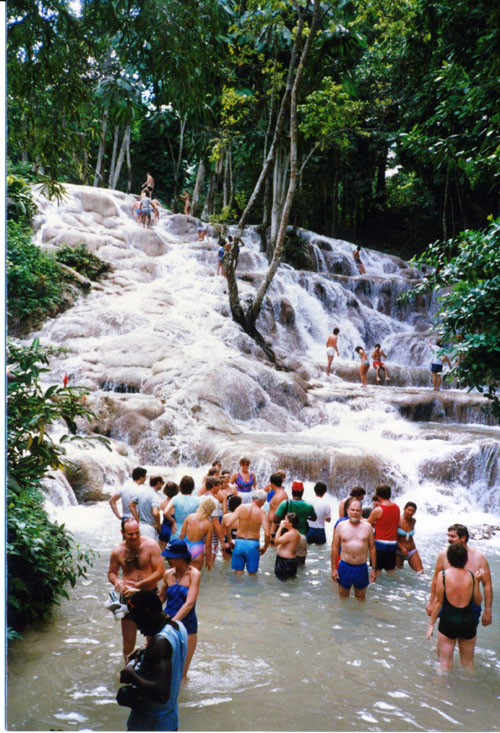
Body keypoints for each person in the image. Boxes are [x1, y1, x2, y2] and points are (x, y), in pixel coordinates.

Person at [118, 589, 187, 731]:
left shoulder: (159, 643)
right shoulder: (178, 627)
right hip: (170, 721)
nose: (138, 627)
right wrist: (146, 649)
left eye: (138, 620)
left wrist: (131, 675)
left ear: (148, 612)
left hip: (150, 724)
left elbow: (161, 694)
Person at [107, 518, 165, 661]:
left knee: (153, 638)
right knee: (128, 642)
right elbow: (111, 573)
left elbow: (160, 572)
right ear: (122, 533)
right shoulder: (118, 551)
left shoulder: (151, 546)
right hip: (128, 598)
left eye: (137, 533)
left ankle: (152, 672)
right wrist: (117, 581)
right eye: (130, 534)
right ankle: (128, 671)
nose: (134, 537)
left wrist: (138, 586)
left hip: (148, 596)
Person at [426, 543, 483, 672]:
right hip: (468, 621)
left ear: (449, 558)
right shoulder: (472, 576)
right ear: (465, 559)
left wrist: (431, 624)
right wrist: (478, 582)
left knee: (445, 664)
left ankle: (440, 691)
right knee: (468, 664)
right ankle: (469, 690)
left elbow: (438, 602)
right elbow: (478, 602)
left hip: (449, 620)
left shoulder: (443, 576)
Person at [426, 524, 492, 628]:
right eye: (448, 536)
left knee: (466, 641)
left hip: (471, 606)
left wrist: (488, 611)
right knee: (444, 640)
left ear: (463, 538)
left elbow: (487, 585)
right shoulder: (443, 555)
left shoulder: (479, 558)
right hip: (447, 603)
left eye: (452, 536)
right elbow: (435, 580)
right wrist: (431, 602)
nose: (449, 539)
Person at [159, 538, 201, 681]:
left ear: (180, 557)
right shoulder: (168, 574)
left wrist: (173, 623)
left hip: (187, 627)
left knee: (181, 674)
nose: (167, 559)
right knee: (165, 669)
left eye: (170, 557)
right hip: (167, 624)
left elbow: (189, 604)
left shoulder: (194, 574)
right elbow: (160, 599)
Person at [331, 499, 376, 599]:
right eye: (353, 510)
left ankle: (360, 615)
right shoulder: (340, 526)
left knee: (361, 598)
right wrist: (333, 568)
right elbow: (334, 547)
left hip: (361, 567)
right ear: (347, 510)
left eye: (357, 510)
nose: (355, 513)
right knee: (343, 597)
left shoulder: (368, 527)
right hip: (345, 566)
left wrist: (373, 569)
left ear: (361, 512)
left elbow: (372, 548)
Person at [227, 489, 270, 576]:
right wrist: (265, 547)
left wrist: (230, 540)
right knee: (252, 574)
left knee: (238, 573)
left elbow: (228, 524)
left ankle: (236, 589)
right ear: (262, 501)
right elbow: (267, 534)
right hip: (252, 544)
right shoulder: (262, 513)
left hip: (239, 542)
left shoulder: (241, 507)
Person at [272, 481, 316, 565]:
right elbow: (314, 518)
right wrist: (305, 517)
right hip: (301, 537)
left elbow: (275, 520)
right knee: (301, 565)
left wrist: (285, 520)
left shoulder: (285, 504)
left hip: (287, 536)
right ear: (303, 492)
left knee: (284, 563)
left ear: (292, 491)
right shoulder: (308, 506)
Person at [366, 484, 400, 575]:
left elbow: (367, 523)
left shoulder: (378, 510)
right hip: (392, 544)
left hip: (380, 545)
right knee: (390, 571)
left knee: (377, 571)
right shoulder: (397, 508)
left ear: (378, 495)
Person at [180, 496, 216, 571]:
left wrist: (178, 549)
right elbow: (208, 545)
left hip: (185, 547)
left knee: (182, 576)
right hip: (197, 550)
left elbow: (181, 535)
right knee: (194, 577)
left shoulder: (190, 517)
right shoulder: (208, 524)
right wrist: (208, 560)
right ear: (211, 511)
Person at [163, 476, 200, 541]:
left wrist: (173, 521)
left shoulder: (175, 498)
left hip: (177, 530)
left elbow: (165, 512)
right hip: (192, 531)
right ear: (193, 487)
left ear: (181, 487)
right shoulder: (198, 500)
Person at [130, 476, 163, 541]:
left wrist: (137, 519)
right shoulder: (154, 495)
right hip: (150, 528)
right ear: (158, 483)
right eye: (162, 483)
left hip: (141, 525)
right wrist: (159, 526)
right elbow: (155, 513)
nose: (162, 485)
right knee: (151, 549)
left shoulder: (142, 492)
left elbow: (131, 505)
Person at [396, 501, 424, 574]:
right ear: (404, 509)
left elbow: (409, 536)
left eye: (413, 511)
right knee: (398, 573)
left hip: (412, 550)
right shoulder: (398, 520)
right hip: (398, 551)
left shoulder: (413, 521)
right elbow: (391, 537)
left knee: (421, 573)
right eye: (409, 510)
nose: (410, 513)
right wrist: (402, 547)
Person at [274, 513, 301, 581]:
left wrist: (280, 527)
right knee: (289, 580)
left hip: (285, 561)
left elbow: (276, 541)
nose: (283, 521)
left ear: (290, 523)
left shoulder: (290, 534)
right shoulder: (297, 533)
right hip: (291, 560)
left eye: (285, 520)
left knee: (282, 580)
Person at [266, 473, 289, 539]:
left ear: (271, 483)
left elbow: (277, 516)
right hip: (275, 528)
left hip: (275, 529)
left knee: (273, 548)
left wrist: (272, 534)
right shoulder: (281, 493)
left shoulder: (279, 496)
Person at [158, 481, 179, 551]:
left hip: (165, 529)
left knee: (161, 553)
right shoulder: (179, 503)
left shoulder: (162, 503)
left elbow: (154, 513)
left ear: (165, 491)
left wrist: (157, 525)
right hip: (176, 529)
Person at [220, 494, 241, 558]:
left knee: (226, 564)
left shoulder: (225, 517)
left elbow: (221, 532)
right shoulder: (243, 517)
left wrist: (222, 543)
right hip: (239, 541)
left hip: (227, 541)